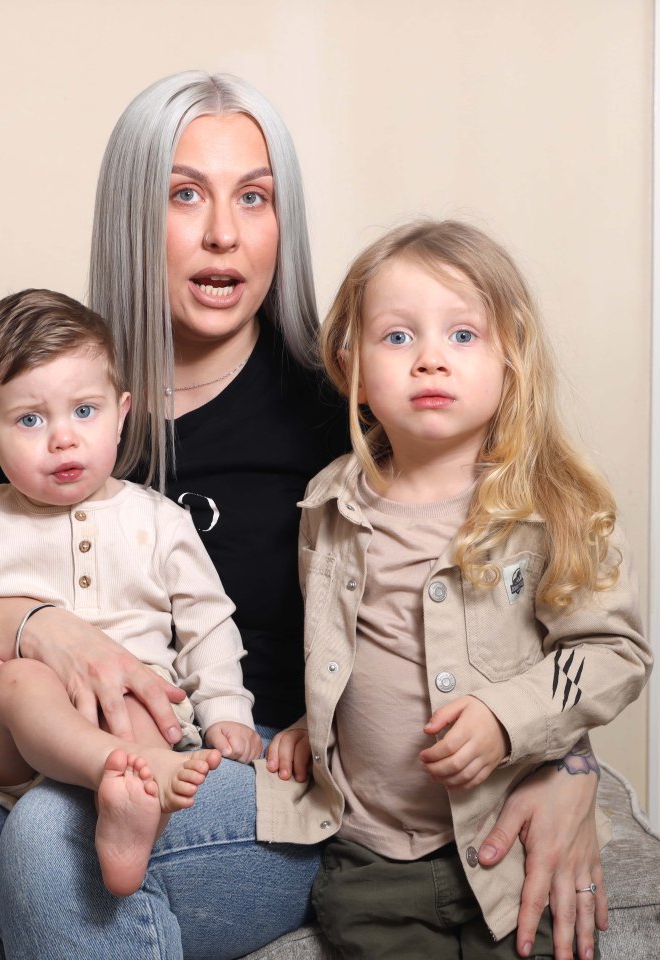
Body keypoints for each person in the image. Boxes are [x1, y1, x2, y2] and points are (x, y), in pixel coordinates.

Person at [0, 73, 610, 960]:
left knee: (48, 841)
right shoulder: (55, 393)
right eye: (184, 194)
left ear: (279, 222)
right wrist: (41, 627)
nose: (223, 231)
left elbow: (509, 582)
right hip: (49, 742)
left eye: (253, 197)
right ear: (129, 220)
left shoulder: (347, 403)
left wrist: (565, 765)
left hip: (253, 760)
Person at [264, 220, 651, 959]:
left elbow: (611, 653)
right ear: (350, 366)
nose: (431, 359)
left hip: (513, 841)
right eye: (398, 337)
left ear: (511, 359)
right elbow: (337, 644)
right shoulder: (327, 507)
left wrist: (507, 718)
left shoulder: (559, 507)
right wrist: (316, 722)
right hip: (370, 858)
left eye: (463, 336)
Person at [0, 288, 262, 898]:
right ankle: (124, 773)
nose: (63, 439)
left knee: (139, 696)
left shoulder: (160, 522)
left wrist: (227, 710)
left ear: (121, 411)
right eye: (30, 420)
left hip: (135, 718)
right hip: (10, 741)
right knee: (21, 682)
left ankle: (127, 800)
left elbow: (207, 625)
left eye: (85, 411)